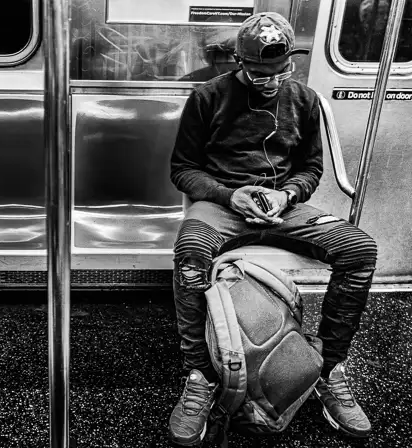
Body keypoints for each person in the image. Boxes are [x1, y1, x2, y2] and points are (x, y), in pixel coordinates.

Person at [167, 12, 377, 446]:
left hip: (283, 207)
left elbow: (311, 168)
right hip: (223, 205)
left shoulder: (305, 99)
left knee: (359, 249)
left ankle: (328, 369)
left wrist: (288, 194)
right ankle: (201, 376)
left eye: (281, 71)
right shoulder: (207, 97)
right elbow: (183, 169)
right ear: (239, 62)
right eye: (259, 74)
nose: (271, 81)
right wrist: (229, 195)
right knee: (190, 253)